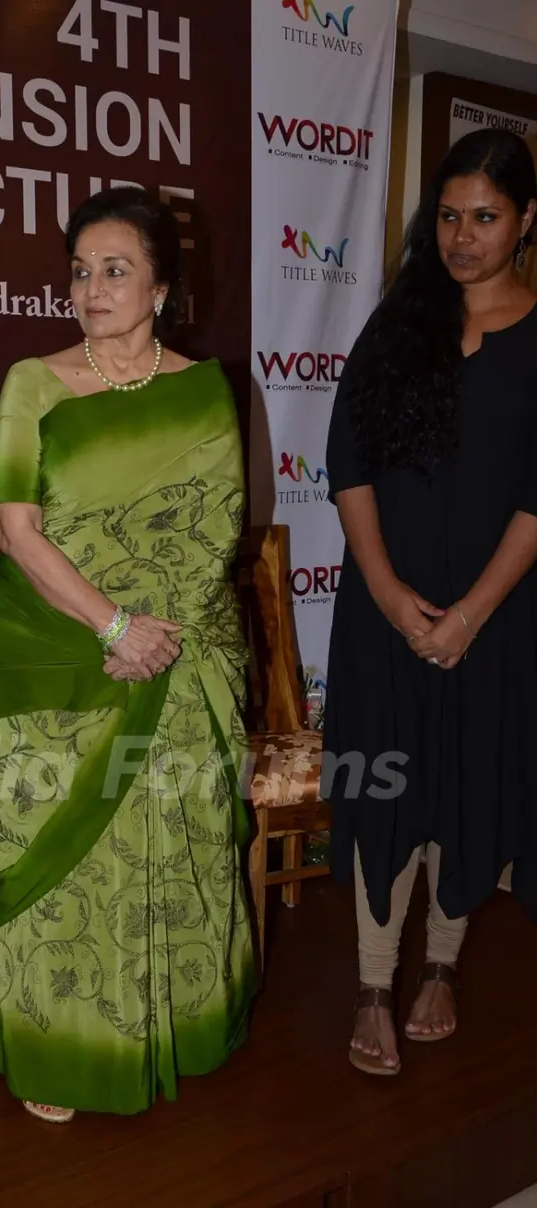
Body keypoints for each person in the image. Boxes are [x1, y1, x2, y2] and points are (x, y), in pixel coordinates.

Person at [0, 187, 255, 1121]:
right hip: (51, 647)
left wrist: (156, 634)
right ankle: (65, 1046)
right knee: (49, 821)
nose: (91, 288)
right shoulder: (32, 385)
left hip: (178, 643)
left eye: (115, 270)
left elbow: (218, 526)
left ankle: (171, 1019)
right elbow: (16, 525)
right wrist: (115, 627)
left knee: (177, 825)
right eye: (80, 271)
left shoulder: (203, 392)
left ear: (163, 286)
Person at [324, 129, 537, 1076]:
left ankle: (439, 970)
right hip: (384, 614)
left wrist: (469, 616)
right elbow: (349, 463)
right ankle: (373, 984)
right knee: (387, 784)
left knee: (466, 780)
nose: (462, 236)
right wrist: (383, 590)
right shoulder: (397, 324)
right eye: (448, 216)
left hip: (498, 619)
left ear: (526, 222)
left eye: (484, 217)